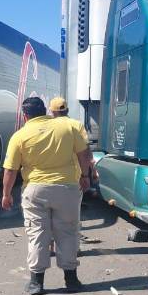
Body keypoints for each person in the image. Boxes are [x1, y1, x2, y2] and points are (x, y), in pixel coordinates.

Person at [1, 97, 94, 295]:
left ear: (25, 115)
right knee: (68, 232)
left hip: (35, 190)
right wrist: (85, 176)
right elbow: (84, 154)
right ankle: (72, 280)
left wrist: (6, 194)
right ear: (45, 111)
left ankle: (36, 282)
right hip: (67, 188)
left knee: (37, 234)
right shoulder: (67, 128)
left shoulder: (20, 135)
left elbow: (10, 170)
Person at [48, 97, 100, 245]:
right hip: (72, 178)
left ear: (52, 112)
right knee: (72, 215)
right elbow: (85, 152)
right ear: (67, 110)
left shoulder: (47, 126)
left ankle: (51, 244)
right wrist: (89, 174)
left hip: (49, 178)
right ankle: (73, 247)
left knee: (51, 213)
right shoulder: (76, 125)